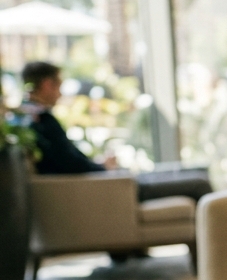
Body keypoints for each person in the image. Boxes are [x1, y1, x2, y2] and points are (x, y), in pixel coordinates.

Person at [17, 61, 212, 204]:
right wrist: (103, 169)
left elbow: (65, 160)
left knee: (196, 170)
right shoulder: (41, 120)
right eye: (58, 85)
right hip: (108, 186)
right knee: (200, 183)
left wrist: (99, 165)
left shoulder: (22, 120)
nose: (60, 93)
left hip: (103, 180)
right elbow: (70, 164)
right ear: (46, 85)